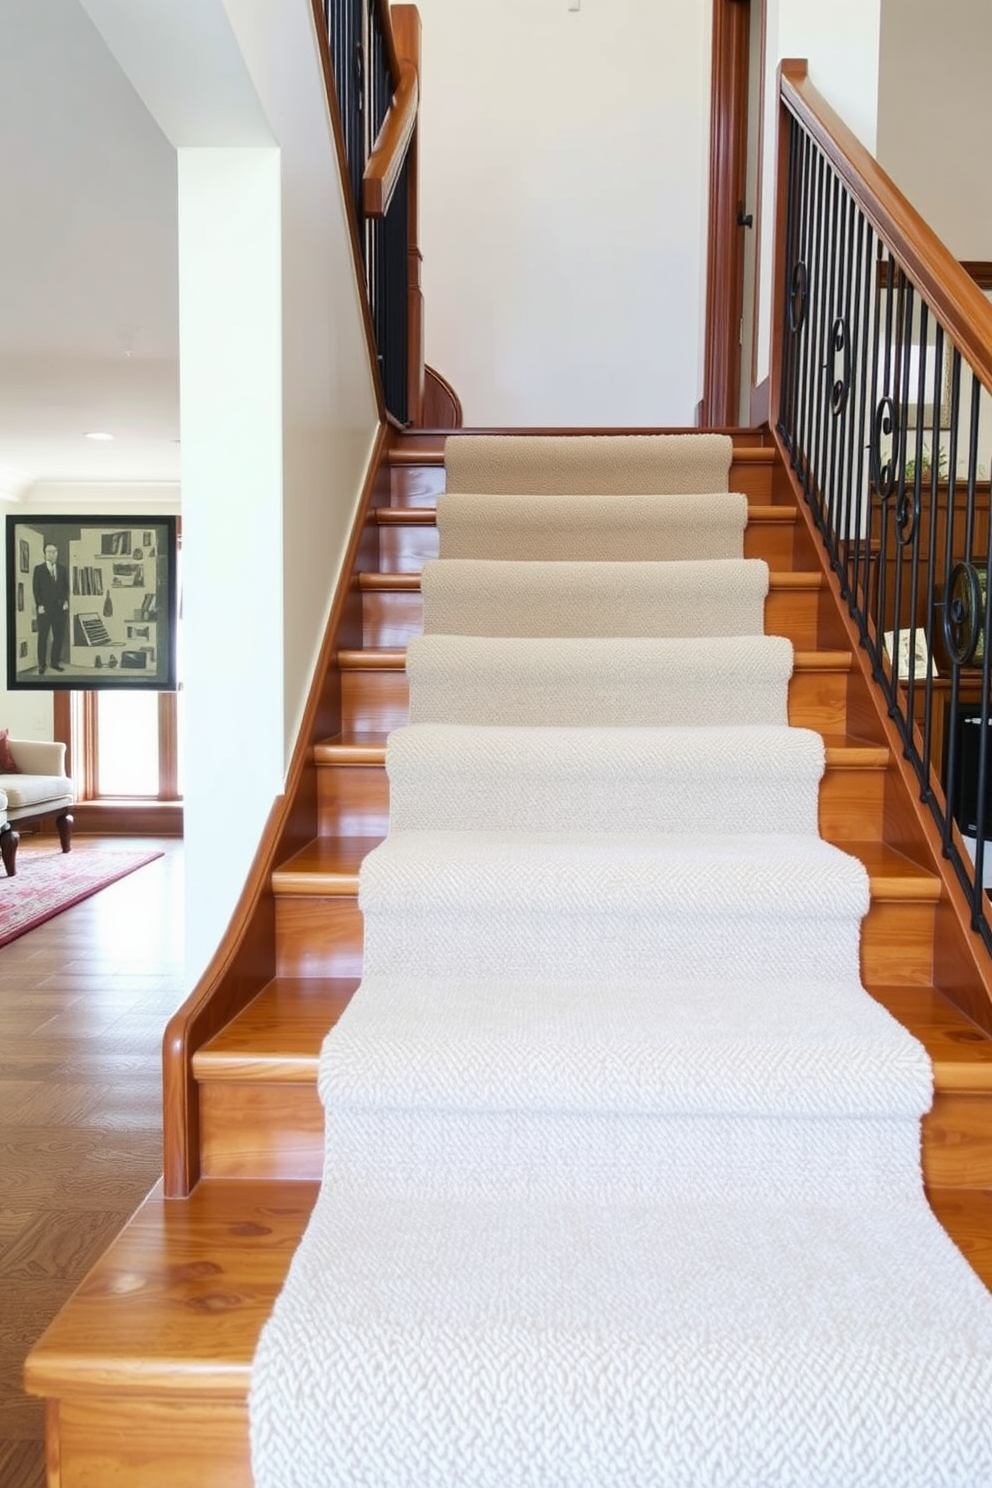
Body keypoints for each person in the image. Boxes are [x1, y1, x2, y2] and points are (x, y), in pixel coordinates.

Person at [32, 541, 70, 675]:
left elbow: (65, 587)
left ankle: (54, 663)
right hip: (45, 609)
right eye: (49, 552)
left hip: (60, 609)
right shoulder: (39, 569)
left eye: (54, 552)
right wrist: (40, 605)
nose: (52, 554)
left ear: (57, 554)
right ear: (45, 554)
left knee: (58, 636)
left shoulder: (62, 569)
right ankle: (42, 665)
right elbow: (36, 589)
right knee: (43, 637)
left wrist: (65, 601)